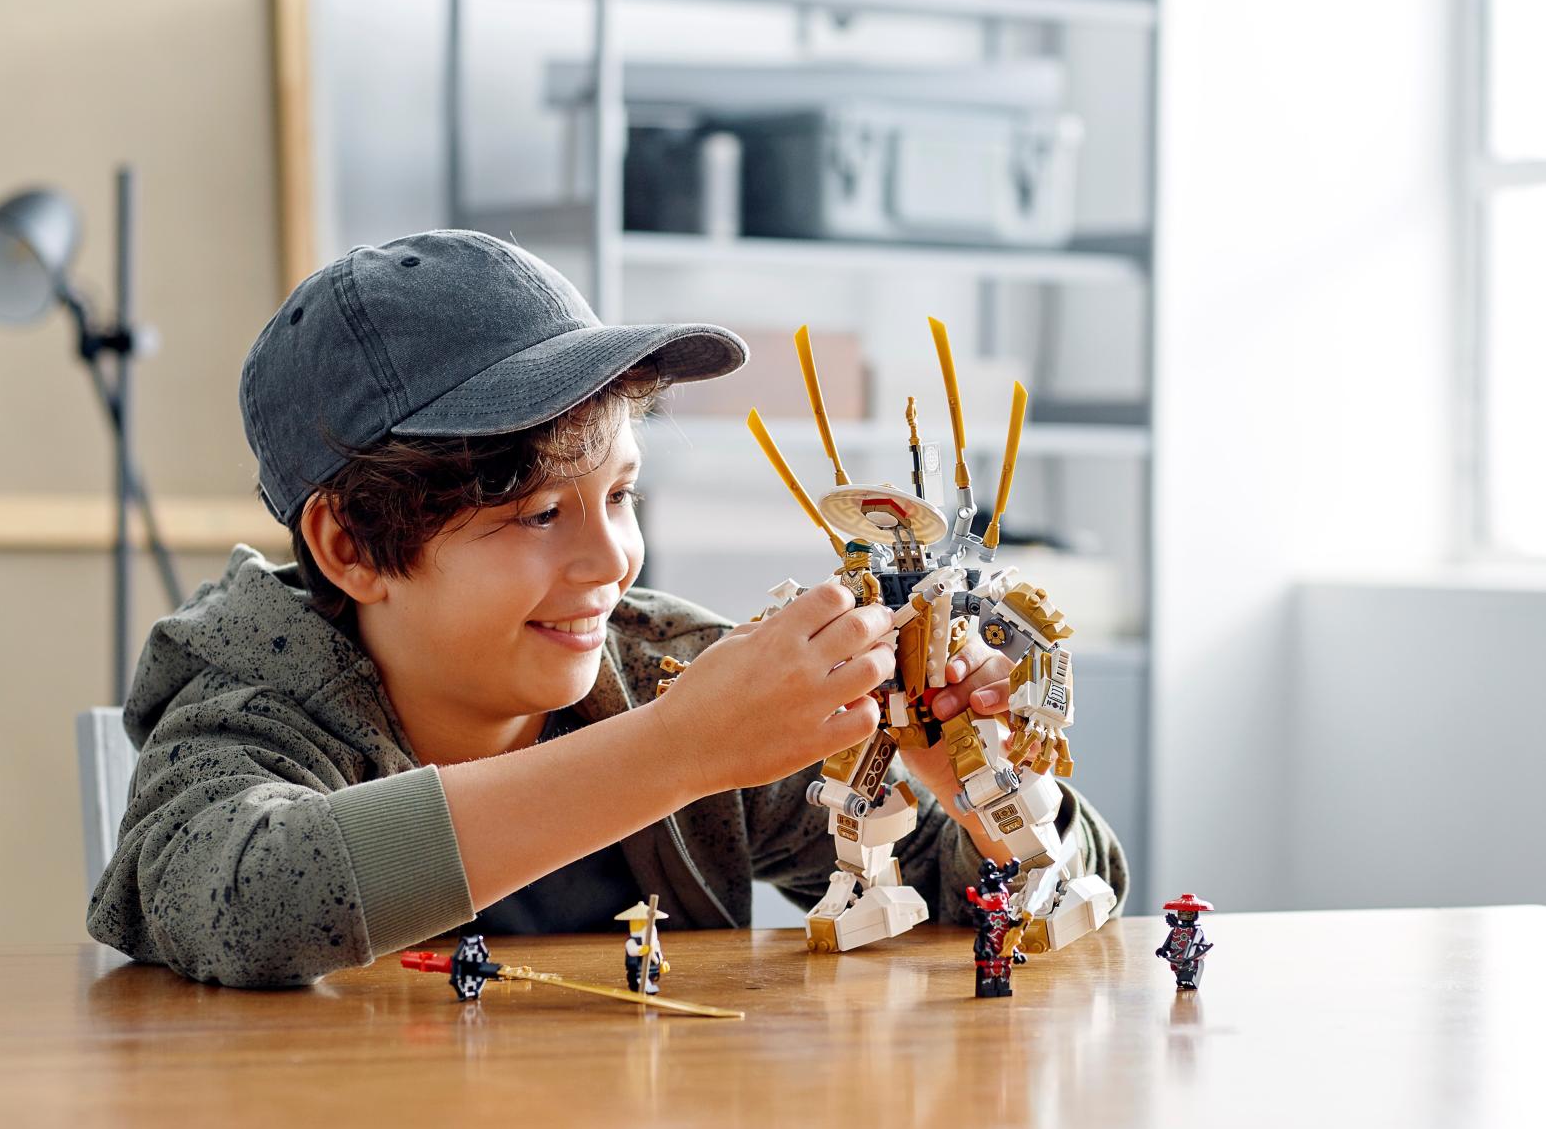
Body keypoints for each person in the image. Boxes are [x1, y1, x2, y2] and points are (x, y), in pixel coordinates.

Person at [86, 229, 1128, 987]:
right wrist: (680, 750)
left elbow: (1018, 896)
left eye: (621, 494)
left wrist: (978, 789)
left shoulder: (667, 670)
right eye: (540, 513)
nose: (614, 559)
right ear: (350, 546)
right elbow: (248, 900)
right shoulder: (249, 704)